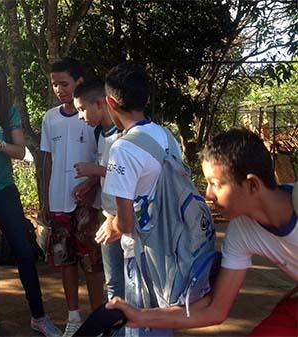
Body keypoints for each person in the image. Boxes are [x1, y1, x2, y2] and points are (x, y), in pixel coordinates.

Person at [107, 128, 298, 337]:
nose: (208, 194)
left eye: (215, 184)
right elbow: (215, 309)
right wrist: (141, 316)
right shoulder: (241, 231)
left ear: (252, 184)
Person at [0, 63, 61, 337]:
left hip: (4, 189)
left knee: (25, 252)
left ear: (0, 92)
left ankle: (39, 316)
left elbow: (20, 152)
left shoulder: (8, 113)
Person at [102, 63, 182, 337]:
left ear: (110, 102)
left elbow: (125, 223)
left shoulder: (122, 149)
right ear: (145, 99)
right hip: (174, 246)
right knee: (163, 321)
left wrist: (111, 225)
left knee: (141, 323)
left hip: (142, 253)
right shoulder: (166, 136)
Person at [40, 58, 105, 337]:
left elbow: (104, 159)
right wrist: (45, 199)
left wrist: (91, 184)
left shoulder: (93, 115)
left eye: (64, 83)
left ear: (79, 82)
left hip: (88, 204)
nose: (58, 89)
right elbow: (47, 161)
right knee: (65, 261)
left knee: (92, 263)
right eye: (54, 84)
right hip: (58, 202)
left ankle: (100, 319)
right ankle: (73, 318)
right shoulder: (49, 118)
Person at [72, 79, 124, 307]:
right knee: (113, 283)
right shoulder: (99, 134)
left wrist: (97, 170)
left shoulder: (124, 133)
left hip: (127, 218)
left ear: (100, 104)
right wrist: (91, 182)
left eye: (82, 109)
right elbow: (108, 171)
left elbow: (128, 173)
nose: (80, 116)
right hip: (108, 216)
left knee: (133, 284)